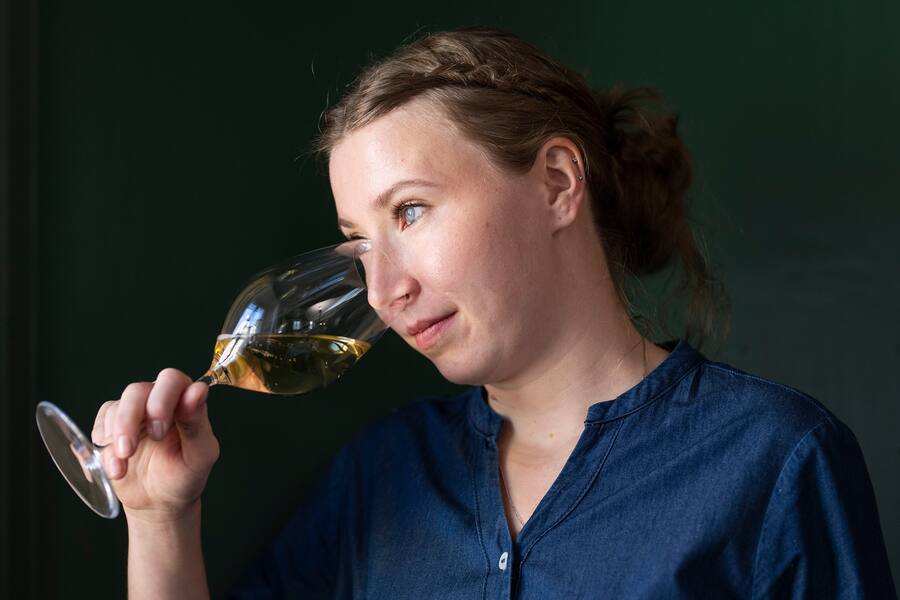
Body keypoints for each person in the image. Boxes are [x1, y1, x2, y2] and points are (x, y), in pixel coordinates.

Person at [92, 27, 896, 598]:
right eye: (359, 242)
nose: (382, 290)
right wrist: (162, 518)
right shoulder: (380, 476)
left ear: (556, 184)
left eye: (410, 212)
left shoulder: (775, 460)